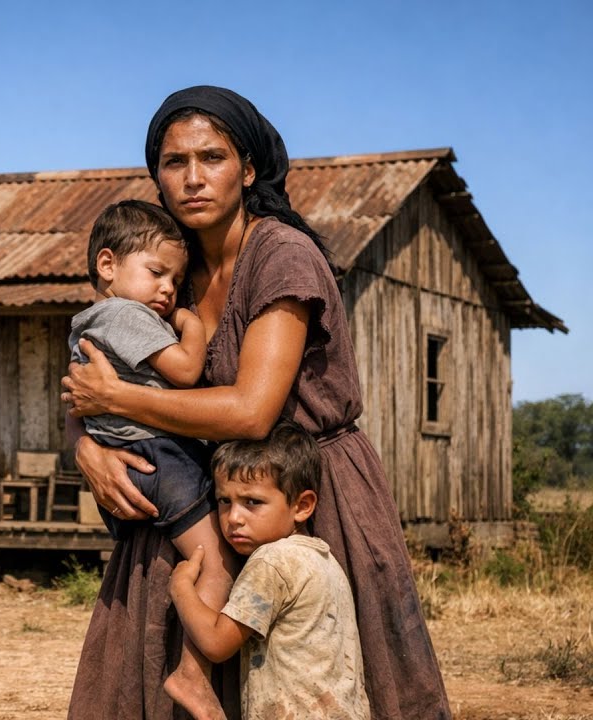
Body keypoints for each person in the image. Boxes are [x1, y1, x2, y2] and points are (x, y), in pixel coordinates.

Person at [62, 85, 450, 719]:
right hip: (205, 495)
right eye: (173, 162)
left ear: (247, 169)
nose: (192, 178)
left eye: (211, 158)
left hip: (308, 500)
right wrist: (86, 449)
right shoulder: (167, 274)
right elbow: (88, 376)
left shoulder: (281, 256)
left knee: (317, 691)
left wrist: (121, 398)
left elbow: (251, 413)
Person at [69, 199, 238, 720]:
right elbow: (186, 372)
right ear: (107, 265)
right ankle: (192, 673)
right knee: (218, 561)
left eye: (176, 280)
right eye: (156, 273)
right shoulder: (125, 314)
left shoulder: (92, 320)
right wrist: (190, 322)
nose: (167, 289)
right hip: (156, 454)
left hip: (136, 456)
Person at [170, 421, 369, 720]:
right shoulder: (324, 558)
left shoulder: (271, 562)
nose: (234, 517)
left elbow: (215, 643)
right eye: (225, 501)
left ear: (302, 506)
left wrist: (181, 588)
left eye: (252, 502)